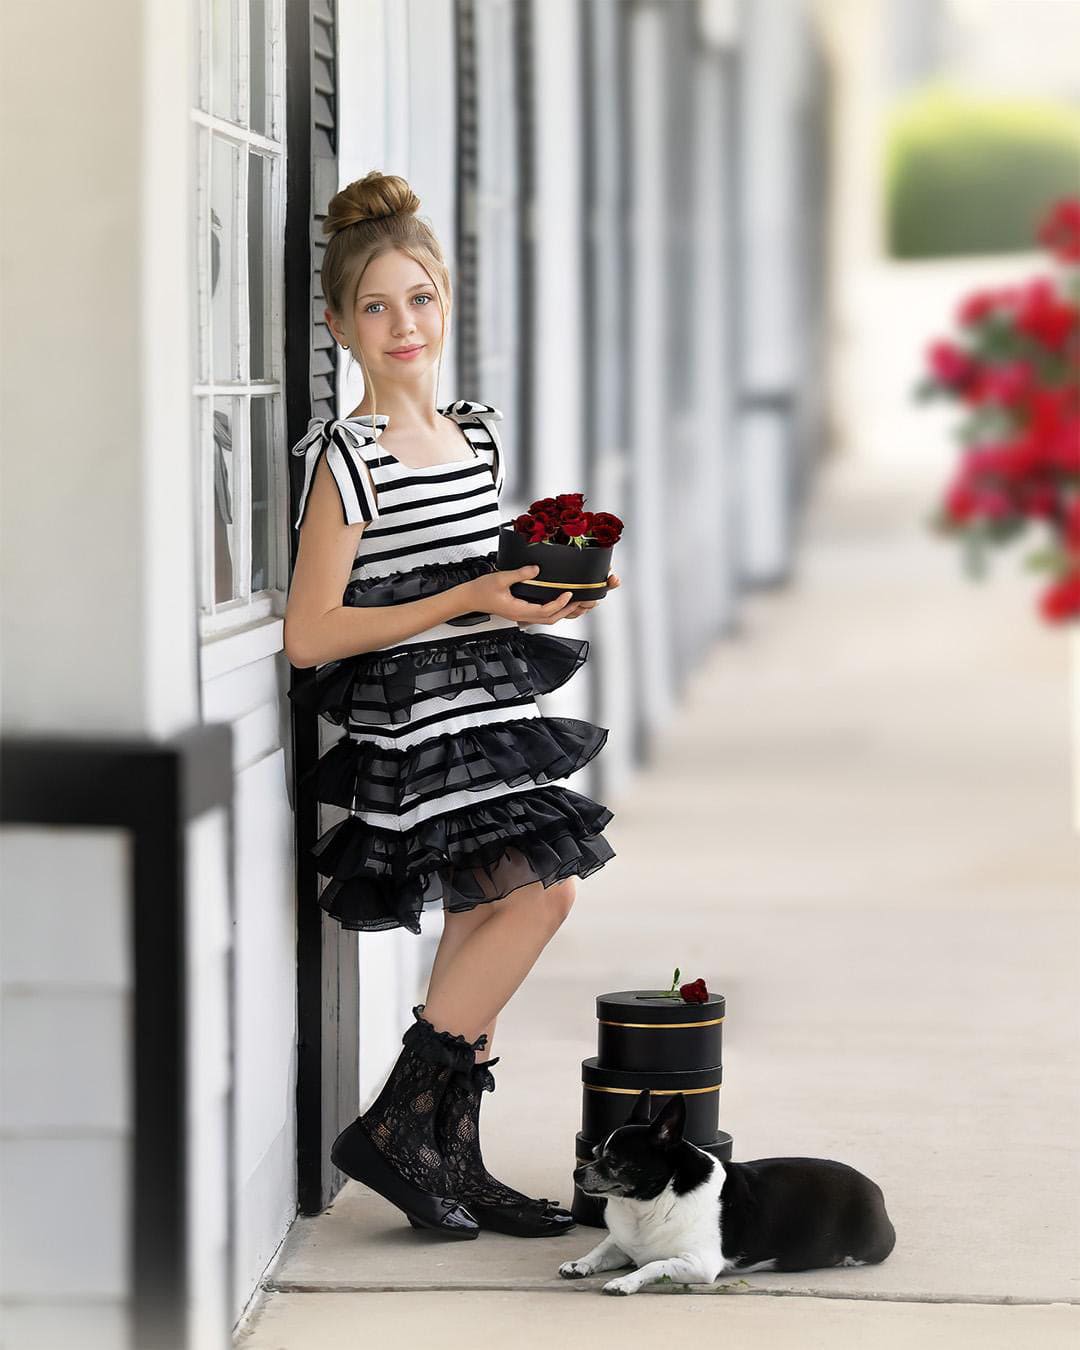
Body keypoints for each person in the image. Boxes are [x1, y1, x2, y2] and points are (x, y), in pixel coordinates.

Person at [283, 170, 620, 1241]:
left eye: (419, 299)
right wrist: (469, 596)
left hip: (487, 713)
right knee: (543, 898)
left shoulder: (476, 439)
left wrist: (544, 594)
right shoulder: (349, 459)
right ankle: (393, 1130)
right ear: (339, 326)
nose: (403, 325)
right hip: (417, 731)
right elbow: (311, 633)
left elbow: (479, 578)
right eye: (375, 306)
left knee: (489, 912)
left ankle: (449, 1158)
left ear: (446, 300)